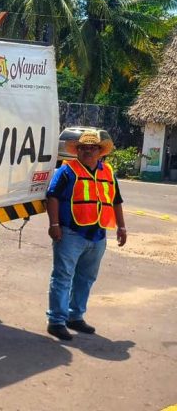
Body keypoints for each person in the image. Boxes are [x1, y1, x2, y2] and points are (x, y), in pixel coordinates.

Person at [45, 130, 127, 341]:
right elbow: (52, 197)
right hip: (70, 233)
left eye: (92, 148)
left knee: (86, 278)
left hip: (98, 235)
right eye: (83, 148)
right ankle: (56, 321)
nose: (88, 151)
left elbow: (116, 201)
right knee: (63, 277)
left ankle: (75, 316)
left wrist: (122, 227)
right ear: (77, 150)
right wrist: (54, 224)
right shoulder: (66, 171)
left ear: (100, 151)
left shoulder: (108, 172)